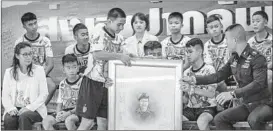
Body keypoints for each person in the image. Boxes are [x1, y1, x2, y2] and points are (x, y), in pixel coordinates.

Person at [181, 24, 272, 130]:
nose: (225, 42)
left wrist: (233, 94)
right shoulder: (234, 59)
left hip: (264, 104)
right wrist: (194, 79)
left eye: (227, 39)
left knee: (253, 119)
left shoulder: (257, 58)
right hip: (247, 105)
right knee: (219, 118)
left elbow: (258, 84)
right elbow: (218, 76)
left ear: (234, 40)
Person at [80, 7, 132, 130]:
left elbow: (123, 55)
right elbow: (97, 54)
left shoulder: (119, 38)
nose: (121, 28)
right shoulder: (98, 30)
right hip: (93, 82)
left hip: (108, 84)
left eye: (123, 25)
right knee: (87, 123)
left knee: (103, 123)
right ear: (109, 21)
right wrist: (120, 56)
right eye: (119, 24)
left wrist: (130, 56)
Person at [2, 42, 48, 130]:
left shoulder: (39, 70)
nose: (29, 57)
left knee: (24, 116)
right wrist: (11, 108)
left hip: (35, 109)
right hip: (15, 108)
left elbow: (44, 94)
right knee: (9, 119)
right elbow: (5, 95)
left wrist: (29, 108)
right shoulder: (9, 72)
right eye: (25, 54)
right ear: (17, 56)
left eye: (30, 54)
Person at [14, 12, 56, 105]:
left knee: (52, 86)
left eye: (35, 23)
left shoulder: (45, 41)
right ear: (24, 26)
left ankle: (39, 109)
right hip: (25, 74)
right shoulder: (19, 42)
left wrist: (40, 77)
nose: (34, 26)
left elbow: (50, 64)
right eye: (30, 24)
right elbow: (17, 64)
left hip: (41, 73)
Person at [181, 38, 217, 130]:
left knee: (202, 121)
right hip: (190, 109)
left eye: (190, 52)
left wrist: (191, 89)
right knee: (175, 119)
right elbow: (185, 99)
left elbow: (211, 94)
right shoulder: (186, 72)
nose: (187, 55)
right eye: (186, 52)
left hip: (208, 107)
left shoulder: (210, 69)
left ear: (199, 52)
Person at [42, 54, 82, 130]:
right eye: (68, 68)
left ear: (78, 68)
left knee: (69, 120)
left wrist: (68, 113)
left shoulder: (82, 82)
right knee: (46, 121)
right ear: (63, 70)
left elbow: (83, 104)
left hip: (77, 112)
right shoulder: (62, 83)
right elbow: (59, 103)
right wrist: (58, 114)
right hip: (65, 111)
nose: (71, 70)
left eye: (74, 67)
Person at [248, 10, 273, 128]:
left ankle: (269, 103)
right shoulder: (250, 43)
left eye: (258, 21)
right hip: (255, 73)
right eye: (253, 21)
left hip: (269, 71)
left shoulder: (271, 40)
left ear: (266, 22)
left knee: (268, 74)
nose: (255, 24)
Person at [203, 14, 230, 93]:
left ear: (221, 27)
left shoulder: (229, 40)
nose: (214, 29)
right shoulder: (207, 45)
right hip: (215, 77)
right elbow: (209, 65)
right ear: (207, 30)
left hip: (230, 74)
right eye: (211, 28)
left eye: (216, 26)